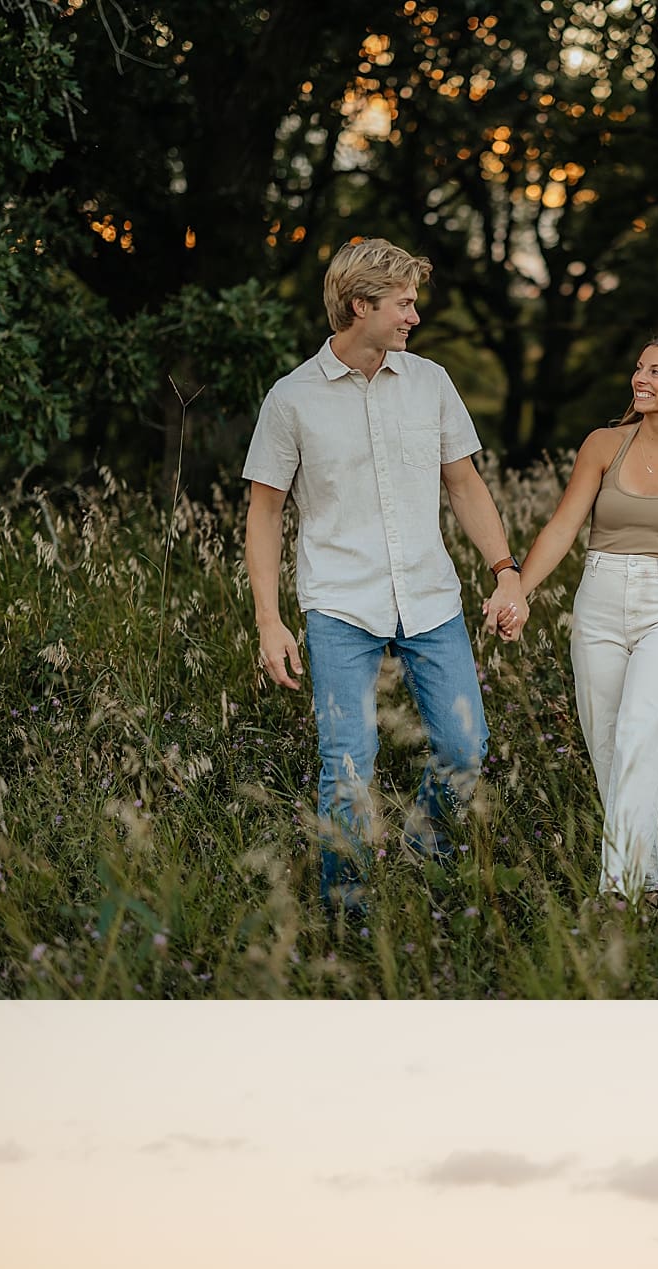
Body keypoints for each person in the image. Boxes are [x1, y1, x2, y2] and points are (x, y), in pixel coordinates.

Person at [242, 238, 528, 912]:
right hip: (341, 604)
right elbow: (264, 513)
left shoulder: (430, 383)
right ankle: (349, 917)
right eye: (402, 304)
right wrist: (268, 617)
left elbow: (464, 484)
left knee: (465, 744)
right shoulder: (292, 401)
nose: (413, 317)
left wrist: (506, 572)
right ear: (359, 305)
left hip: (430, 599)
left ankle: (422, 847)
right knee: (347, 767)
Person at [492, 335, 658, 897]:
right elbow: (562, 526)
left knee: (639, 738)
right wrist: (518, 592)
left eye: (657, 372)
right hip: (598, 603)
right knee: (608, 748)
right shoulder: (603, 445)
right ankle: (647, 880)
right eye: (639, 368)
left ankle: (616, 897)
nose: (640, 379)